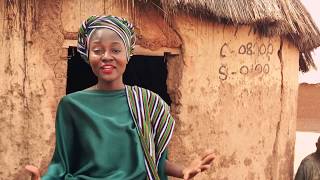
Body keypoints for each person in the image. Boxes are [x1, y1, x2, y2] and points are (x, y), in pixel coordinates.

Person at [25, 15, 214, 180]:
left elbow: (152, 160)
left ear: (128, 54)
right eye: (97, 50)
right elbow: (61, 163)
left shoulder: (147, 103)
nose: (106, 56)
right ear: (87, 55)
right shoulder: (71, 105)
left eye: (116, 50)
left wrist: (183, 171)